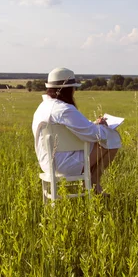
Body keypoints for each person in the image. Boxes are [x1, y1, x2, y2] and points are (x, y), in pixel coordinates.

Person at [32, 67, 119, 195]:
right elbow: (93, 134)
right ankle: (94, 183)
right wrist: (104, 127)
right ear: (69, 90)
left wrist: (94, 125)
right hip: (64, 165)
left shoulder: (43, 106)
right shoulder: (64, 109)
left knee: (102, 140)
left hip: (46, 162)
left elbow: (71, 130)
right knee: (112, 139)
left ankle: (92, 183)